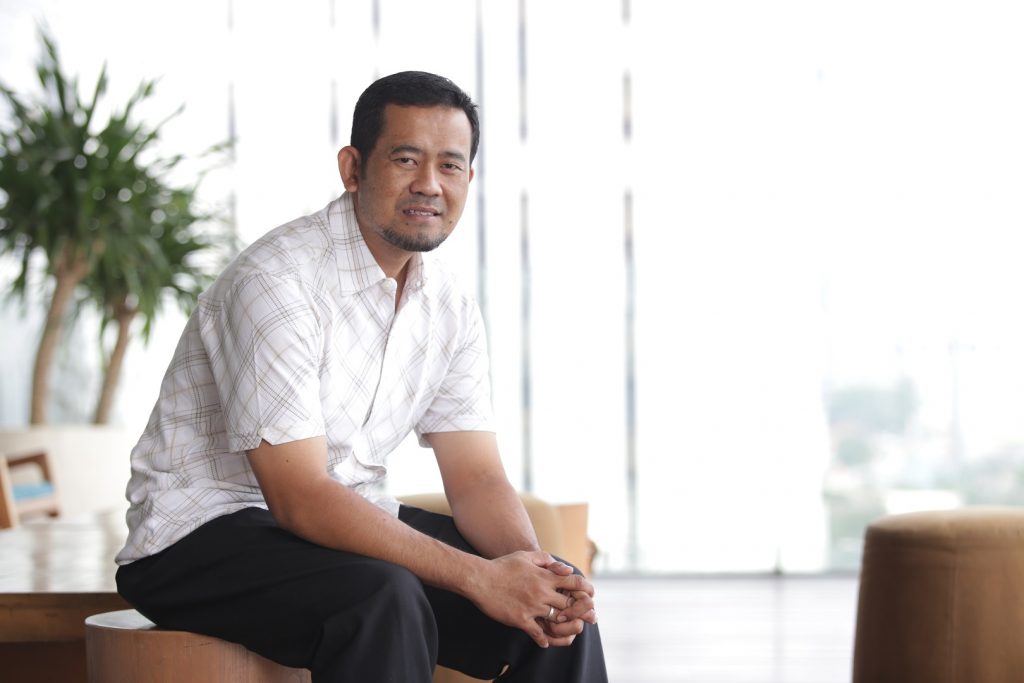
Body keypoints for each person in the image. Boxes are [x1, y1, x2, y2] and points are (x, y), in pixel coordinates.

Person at [114, 70, 608, 682]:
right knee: (383, 598)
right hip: (197, 538)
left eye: (450, 166)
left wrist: (529, 572)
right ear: (353, 169)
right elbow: (299, 496)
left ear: (468, 179)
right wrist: (480, 579)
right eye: (406, 159)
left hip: (338, 520)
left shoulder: (447, 306)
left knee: (558, 598)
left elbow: (477, 477)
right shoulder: (276, 283)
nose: (429, 184)